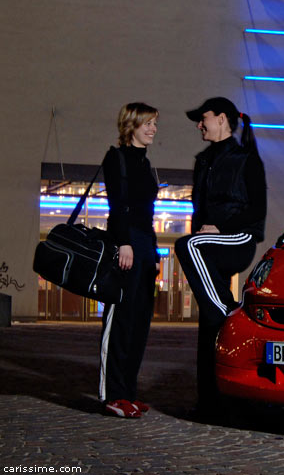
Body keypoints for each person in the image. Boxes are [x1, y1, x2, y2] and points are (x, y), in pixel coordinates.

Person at [175, 97, 266, 415]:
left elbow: (258, 211)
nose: (200, 124)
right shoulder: (203, 160)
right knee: (207, 322)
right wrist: (203, 228)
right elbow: (198, 208)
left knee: (187, 246)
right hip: (210, 241)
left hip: (238, 238)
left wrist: (219, 227)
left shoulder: (246, 159)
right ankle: (212, 402)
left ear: (223, 119)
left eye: (204, 118)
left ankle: (229, 312)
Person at [100, 102, 160, 418]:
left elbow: (147, 214)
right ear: (132, 125)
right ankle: (113, 395)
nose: (152, 129)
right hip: (126, 242)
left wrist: (154, 252)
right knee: (121, 320)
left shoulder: (145, 163)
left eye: (154, 124)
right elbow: (117, 205)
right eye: (148, 123)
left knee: (140, 322)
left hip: (146, 246)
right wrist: (124, 242)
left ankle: (129, 393)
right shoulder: (117, 158)